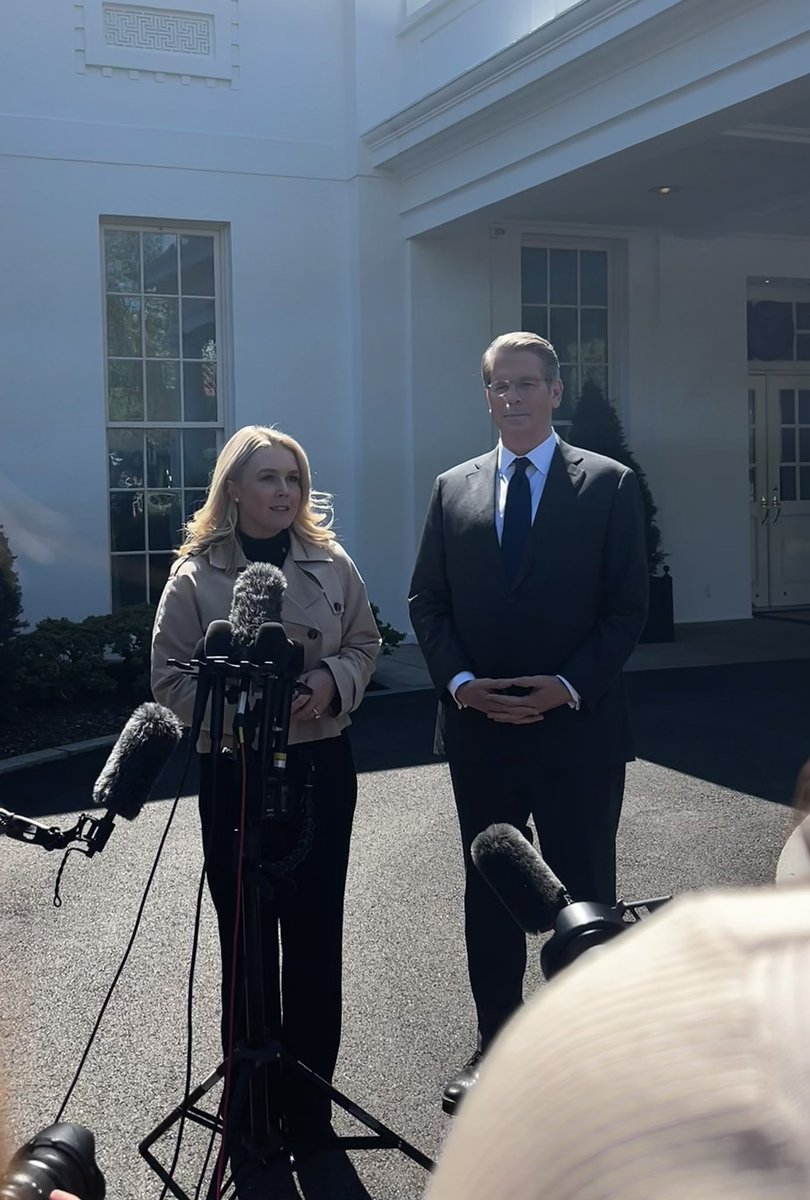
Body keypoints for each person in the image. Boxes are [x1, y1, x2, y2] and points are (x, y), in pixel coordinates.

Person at [408, 332, 648, 1112]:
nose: (512, 398)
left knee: (587, 894)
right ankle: (497, 1045)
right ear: (487, 397)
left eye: (526, 384)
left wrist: (568, 686)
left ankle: (588, 1054)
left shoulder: (608, 485)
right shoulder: (453, 489)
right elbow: (427, 602)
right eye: (499, 386)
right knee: (491, 897)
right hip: (480, 733)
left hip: (577, 730)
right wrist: (463, 684)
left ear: (554, 389)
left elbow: (627, 608)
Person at [151, 425, 380, 1145]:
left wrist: (327, 680)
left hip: (318, 770)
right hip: (234, 774)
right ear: (235, 490)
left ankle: (308, 1106)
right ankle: (249, 1106)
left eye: (294, 480)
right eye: (269, 479)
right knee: (246, 936)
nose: (284, 493)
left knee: (315, 937)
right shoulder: (194, 573)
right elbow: (167, 677)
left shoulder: (333, 563)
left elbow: (365, 644)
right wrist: (245, 707)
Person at [426, 869, 810, 1198]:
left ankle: (596, 1063)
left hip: (579, 780)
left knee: (585, 879)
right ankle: (496, 1044)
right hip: (487, 780)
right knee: (489, 894)